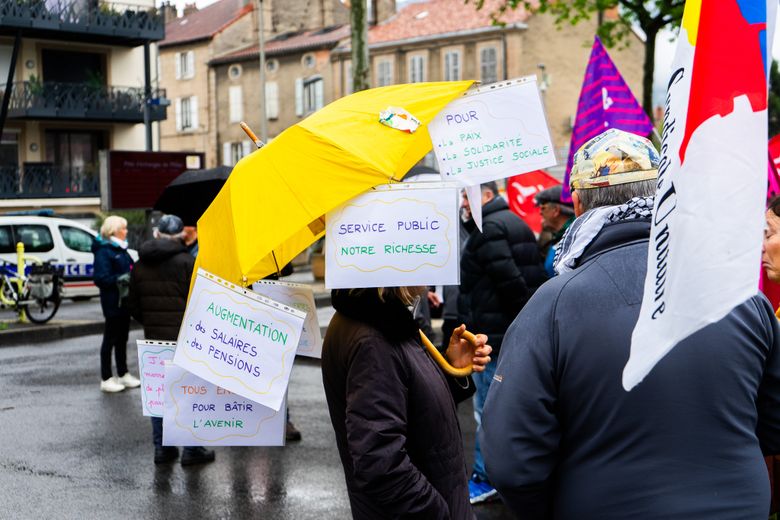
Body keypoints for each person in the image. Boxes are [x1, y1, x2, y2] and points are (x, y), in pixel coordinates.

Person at [481, 128, 780, 519]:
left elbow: (511, 459)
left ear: (577, 203)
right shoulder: (741, 295)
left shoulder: (553, 305)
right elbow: (773, 420)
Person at [322, 286, 492, 519]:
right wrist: (439, 513)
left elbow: (410, 404)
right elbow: (380, 462)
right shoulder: (374, 340)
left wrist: (451, 367)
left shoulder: (385, 320)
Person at [458, 181, 547, 504]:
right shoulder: (510, 220)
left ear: (487, 195)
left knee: (487, 411)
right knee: (505, 407)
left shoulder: (490, 228)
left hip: (492, 336)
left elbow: (510, 282)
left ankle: (485, 476)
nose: (464, 202)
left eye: (468, 195)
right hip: (504, 332)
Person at [128, 214, 215, 466]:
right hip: (184, 338)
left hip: (153, 339)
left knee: (158, 396)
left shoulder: (141, 264)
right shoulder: (188, 262)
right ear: (181, 236)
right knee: (188, 393)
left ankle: (162, 449)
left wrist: (152, 323)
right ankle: (192, 449)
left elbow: (133, 305)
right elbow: (199, 301)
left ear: (157, 234)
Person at [92, 215, 140, 393]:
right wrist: (121, 279)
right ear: (114, 231)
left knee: (122, 338)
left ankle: (123, 373)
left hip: (124, 302)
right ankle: (106, 378)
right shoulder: (104, 251)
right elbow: (100, 278)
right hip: (113, 302)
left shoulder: (120, 249)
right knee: (110, 339)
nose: (126, 232)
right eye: (123, 229)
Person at [534, 184, 575, 277]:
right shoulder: (559, 237)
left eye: (543, 207)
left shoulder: (574, 238)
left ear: (556, 211)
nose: (540, 212)